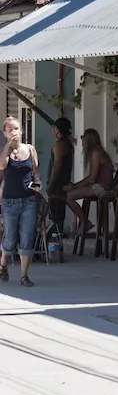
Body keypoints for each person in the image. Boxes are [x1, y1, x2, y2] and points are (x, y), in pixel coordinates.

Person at [0, 116, 42, 286]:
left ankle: (24, 276)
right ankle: (3, 264)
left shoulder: (30, 149)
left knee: (27, 238)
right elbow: (2, 166)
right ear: (5, 133)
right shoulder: (5, 151)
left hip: (29, 201)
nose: (13, 132)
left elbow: (36, 171)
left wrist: (38, 182)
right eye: (10, 129)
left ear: (22, 131)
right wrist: (8, 146)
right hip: (9, 202)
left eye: (16, 128)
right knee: (10, 238)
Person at [64, 129, 114, 234]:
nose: (81, 140)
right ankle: (84, 221)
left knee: (69, 197)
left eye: (83, 137)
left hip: (101, 186)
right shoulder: (96, 152)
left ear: (88, 139)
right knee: (69, 195)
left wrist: (74, 186)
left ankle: (84, 221)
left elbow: (92, 178)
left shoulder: (96, 153)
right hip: (99, 185)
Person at [47, 118, 74, 236]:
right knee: (58, 212)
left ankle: (55, 239)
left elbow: (57, 165)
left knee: (56, 213)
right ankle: (57, 237)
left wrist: (51, 184)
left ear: (57, 129)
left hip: (58, 183)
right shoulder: (67, 143)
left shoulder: (60, 144)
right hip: (61, 181)